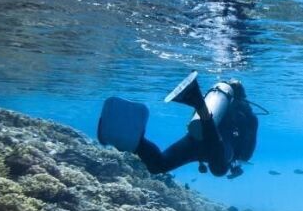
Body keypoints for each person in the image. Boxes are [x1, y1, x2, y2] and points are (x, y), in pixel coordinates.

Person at [97, 71, 258, 178]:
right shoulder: (248, 115)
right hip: (216, 148)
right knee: (219, 169)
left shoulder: (221, 104)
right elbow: (247, 152)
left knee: (158, 165)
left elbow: (193, 123)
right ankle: (199, 104)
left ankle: (134, 139)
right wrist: (236, 162)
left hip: (195, 139)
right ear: (243, 98)